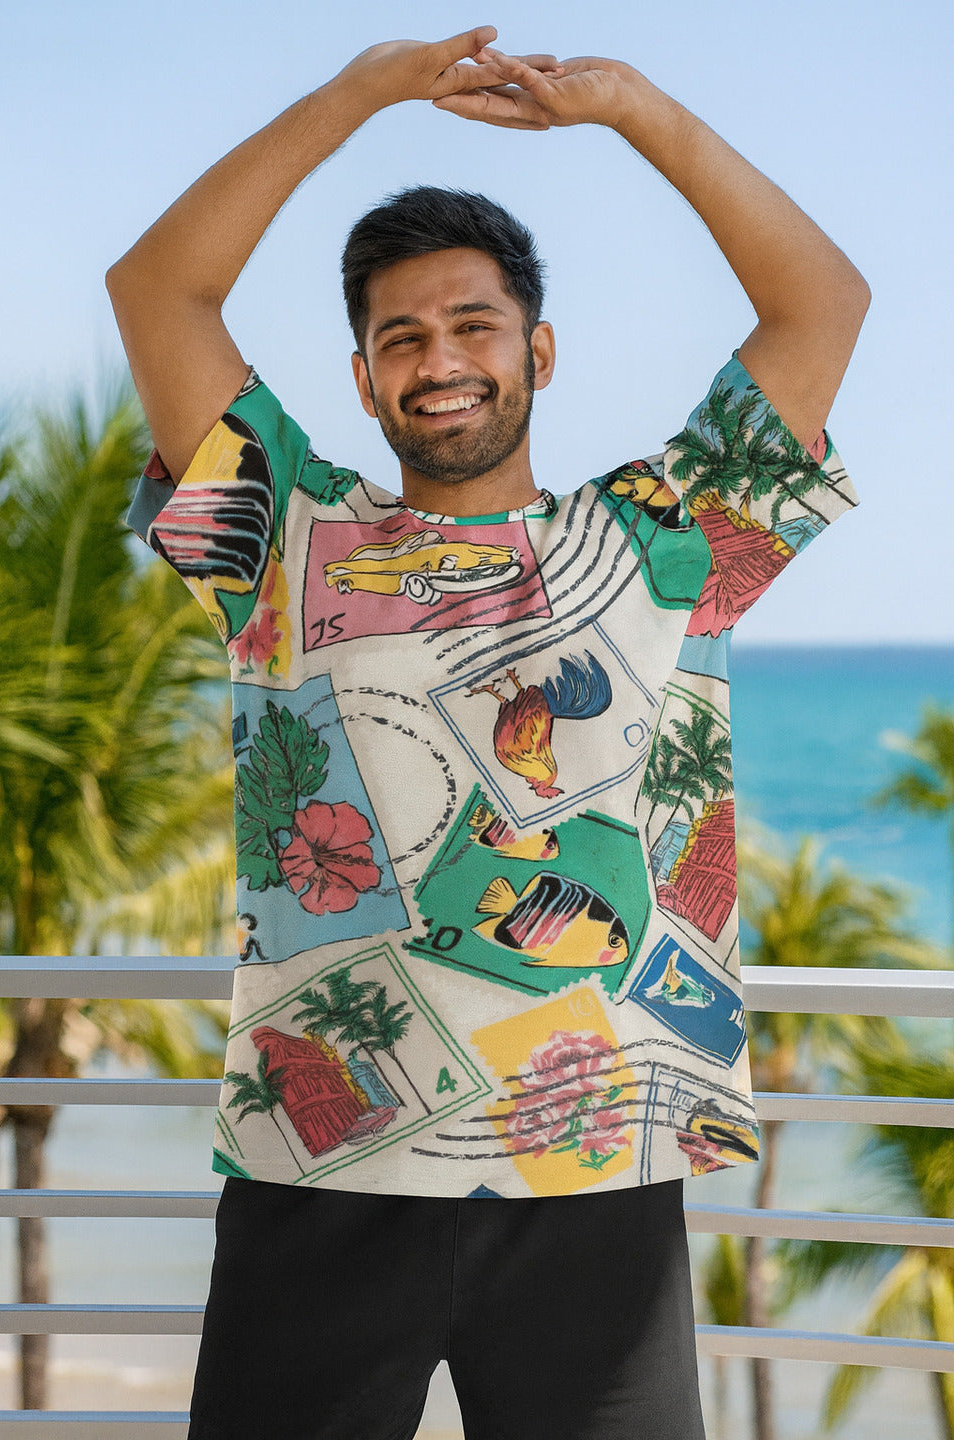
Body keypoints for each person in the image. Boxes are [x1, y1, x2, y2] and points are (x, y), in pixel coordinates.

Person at [107, 27, 869, 1440]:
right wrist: (359, 92)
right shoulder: (288, 537)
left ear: (539, 349)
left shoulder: (658, 540)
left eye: (472, 325)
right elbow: (158, 286)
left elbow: (822, 299)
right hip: (315, 1169)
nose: (439, 360)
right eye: (402, 337)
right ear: (363, 379)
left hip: (596, 1182)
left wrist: (634, 108)